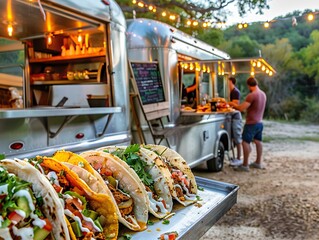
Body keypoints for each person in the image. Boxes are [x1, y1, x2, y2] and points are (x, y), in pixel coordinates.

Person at [229, 77, 267, 172]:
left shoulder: (252, 95)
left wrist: (232, 104)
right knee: (258, 141)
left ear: (249, 85)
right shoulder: (263, 94)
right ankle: (258, 162)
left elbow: (241, 108)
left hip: (251, 123)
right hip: (260, 122)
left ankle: (245, 165)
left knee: (245, 142)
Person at [228, 77, 243, 166]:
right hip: (233, 116)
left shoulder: (235, 92)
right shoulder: (232, 91)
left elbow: (236, 104)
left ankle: (238, 158)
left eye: (228, 82)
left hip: (236, 116)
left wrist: (228, 103)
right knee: (233, 138)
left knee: (237, 138)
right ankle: (235, 157)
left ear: (231, 82)